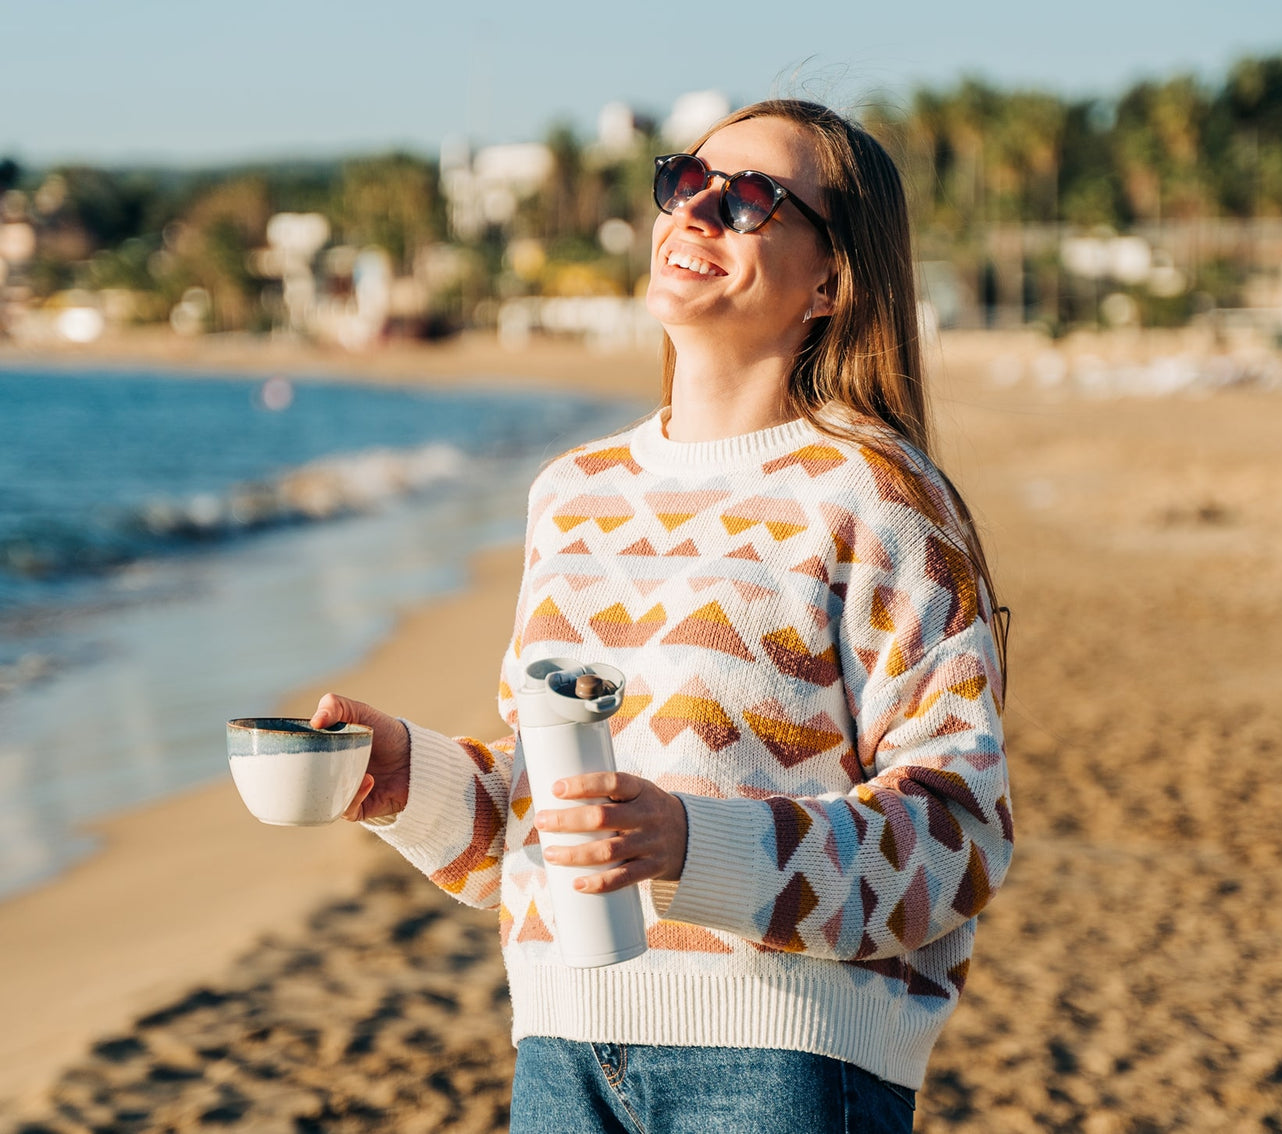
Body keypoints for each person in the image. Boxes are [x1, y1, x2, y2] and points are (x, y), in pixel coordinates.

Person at [310, 99, 1012, 1134]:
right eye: (686, 182)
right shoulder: (573, 493)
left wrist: (690, 843)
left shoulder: (875, 499)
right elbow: (545, 821)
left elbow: (958, 839)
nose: (698, 214)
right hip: (561, 1053)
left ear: (832, 280)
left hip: (786, 1070)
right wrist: (403, 777)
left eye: (752, 201)